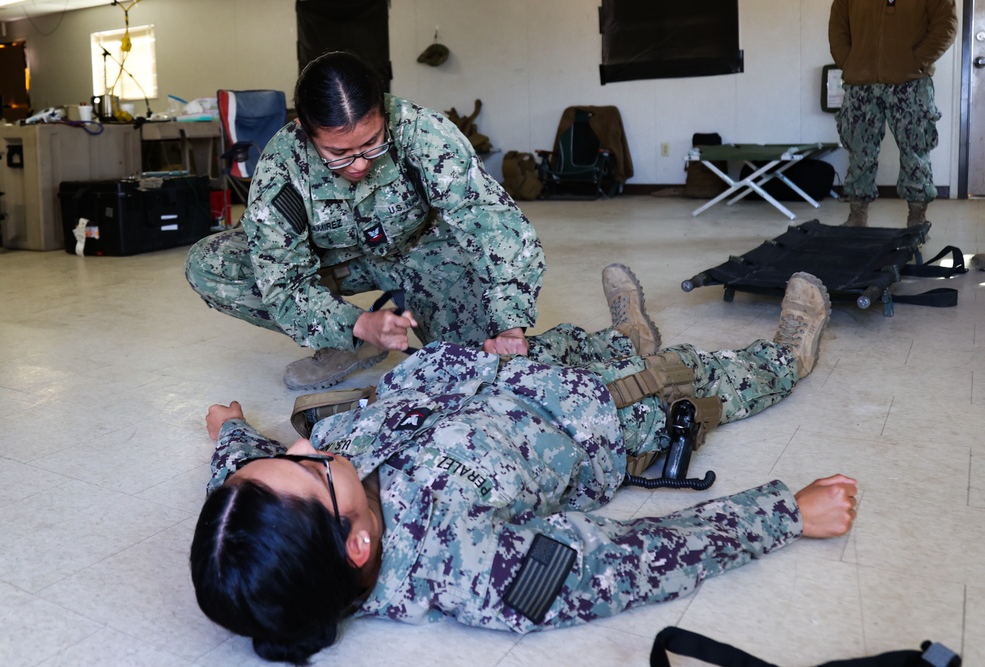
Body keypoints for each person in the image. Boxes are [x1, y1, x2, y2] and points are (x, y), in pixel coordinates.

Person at [190, 266, 857, 665]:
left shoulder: (278, 529)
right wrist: (786, 514)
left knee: (580, 341)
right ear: (358, 544)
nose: (303, 448)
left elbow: (244, 476)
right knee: (696, 378)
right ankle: (788, 353)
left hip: (498, 369)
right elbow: (635, 560)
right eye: (309, 470)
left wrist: (232, 432)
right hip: (599, 414)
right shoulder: (474, 569)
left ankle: (624, 334)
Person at [185, 51, 545, 391]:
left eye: (372, 143)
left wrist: (509, 323)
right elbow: (282, 283)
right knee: (210, 264)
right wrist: (356, 326)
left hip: (427, 252)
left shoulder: (424, 132)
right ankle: (348, 343)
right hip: (337, 264)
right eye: (338, 153)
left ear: (383, 112)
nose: (359, 164)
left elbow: (497, 227)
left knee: (478, 371)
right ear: (304, 129)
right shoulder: (282, 167)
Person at [829, 0, 957, 228]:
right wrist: (848, 63)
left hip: (910, 83)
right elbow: (838, 25)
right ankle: (857, 215)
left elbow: (946, 25)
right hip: (861, 82)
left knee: (915, 150)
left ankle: (917, 216)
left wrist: (916, 60)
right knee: (859, 150)